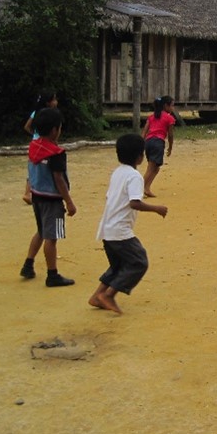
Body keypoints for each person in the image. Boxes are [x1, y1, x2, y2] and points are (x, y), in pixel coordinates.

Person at [90, 134, 168, 314]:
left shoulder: (118, 172)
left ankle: (97, 295)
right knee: (139, 261)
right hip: (119, 231)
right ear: (140, 157)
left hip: (107, 228)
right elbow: (135, 203)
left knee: (118, 265)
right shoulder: (134, 177)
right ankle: (109, 294)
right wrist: (156, 208)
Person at [19, 108, 77, 287]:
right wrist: (69, 201)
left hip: (38, 197)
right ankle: (52, 274)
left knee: (41, 231)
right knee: (52, 237)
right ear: (54, 130)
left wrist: (29, 191)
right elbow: (59, 179)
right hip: (53, 200)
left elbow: (30, 171)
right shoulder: (56, 153)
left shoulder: (33, 147)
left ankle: (28, 264)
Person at [22, 89, 58, 204]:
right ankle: (35, 192)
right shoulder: (50, 115)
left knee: (33, 167)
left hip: (35, 142)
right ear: (48, 102)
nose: (56, 102)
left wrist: (34, 135)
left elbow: (27, 126)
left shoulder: (36, 112)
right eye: (54, 99)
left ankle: (28, 192)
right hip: (44, 143)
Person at [141, 95, 176, 198]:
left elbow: (144, 132)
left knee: (155, 168)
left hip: (149, 142)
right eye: (172, 106)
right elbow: (170, 135)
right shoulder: (169, 118)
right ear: (166, 106)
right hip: (158, 143)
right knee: (151, 168)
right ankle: (138, 189)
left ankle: (146, 188)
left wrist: (140, 144)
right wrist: (170, 147)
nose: (173, 108)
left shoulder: (152, 117)